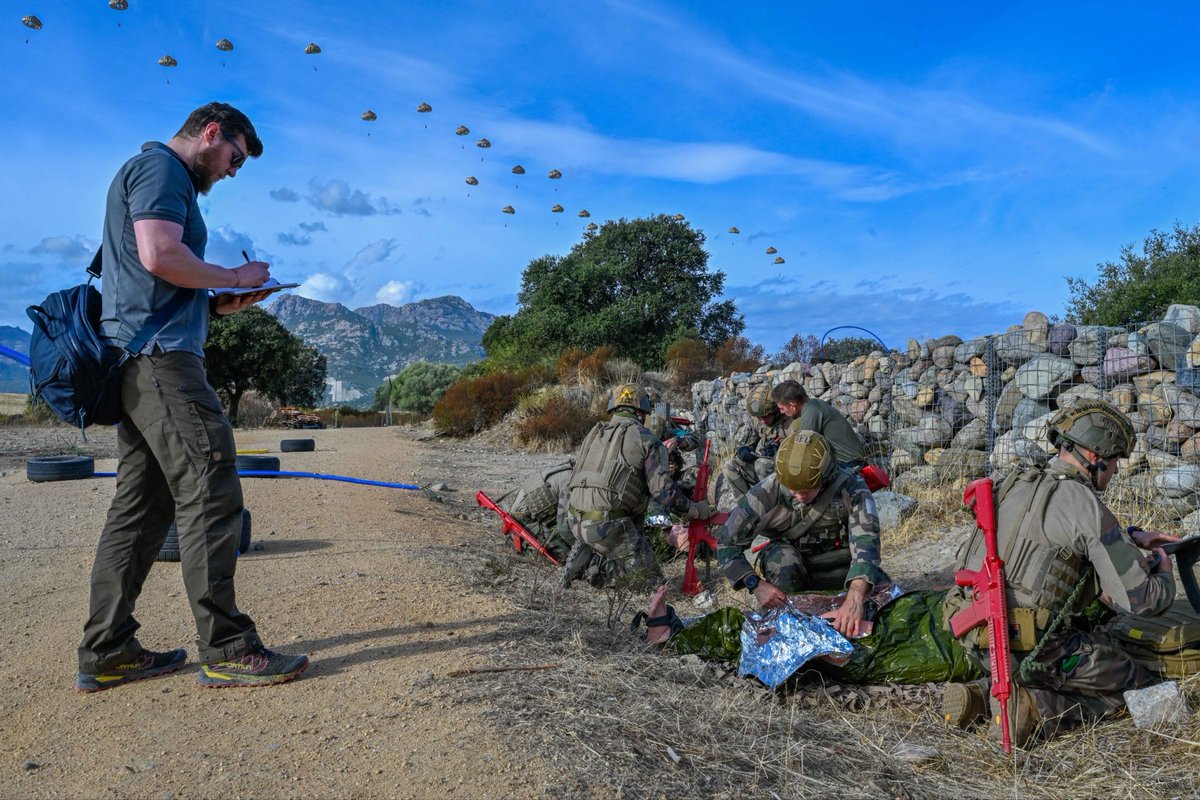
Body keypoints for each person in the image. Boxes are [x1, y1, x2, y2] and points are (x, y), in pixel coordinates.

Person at [76, 103, 309, 692]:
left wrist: (214, 303)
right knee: (210, 485)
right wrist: (237, 277)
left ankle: (107, 650)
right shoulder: (162, 170)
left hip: (137, 359)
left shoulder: (151, 172)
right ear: (212, 133)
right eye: (233, 158)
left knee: (143, 507)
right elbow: (159, 255)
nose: (232, 172)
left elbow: (149, 276)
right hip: (162, 367)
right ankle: (228, 647)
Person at [941, 400, 1176, 748]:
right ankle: (1031, 707)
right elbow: (1141, 600)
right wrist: (1165, 572)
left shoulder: (1017, 483)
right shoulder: (1083, 503)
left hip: (975, 635)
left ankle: (982, 694)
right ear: (1096, 456)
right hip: (1025, 646)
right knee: (1136, 680)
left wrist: (1130, 538)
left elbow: (1049, 546)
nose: (1113, 473)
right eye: (1114, 462)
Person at [715, 430, 886, 637]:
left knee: (886, 610)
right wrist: (756, 584)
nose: (797, 495)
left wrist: (856, 598)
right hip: (793, 573)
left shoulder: (851, 486)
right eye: (792, 489)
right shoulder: (768, 491)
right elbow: (726, 543)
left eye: (806, 489)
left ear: (823, 478)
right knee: (781, 559)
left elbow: (867, 544)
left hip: (843, 571)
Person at [560, 384, 711, 588]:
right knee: (651, 583)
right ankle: (596, 567)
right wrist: (693, 510)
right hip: (607, 524)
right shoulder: (647, 439)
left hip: (573, 518)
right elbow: (663, 493)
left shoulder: (595, 432)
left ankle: (592, 549)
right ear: (642, 412)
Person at [717, 384, 791, 508]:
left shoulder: (789, 423)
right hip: (762, 470)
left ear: (775, 410)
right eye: (759, 417)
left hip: (784, 476)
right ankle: (747, 508)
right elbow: (745, 442)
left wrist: (778, 452)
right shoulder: (758, 422)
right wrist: (743, 450)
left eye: (766, 416)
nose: (762, 421)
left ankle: (772, 508)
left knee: (762, 464)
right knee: (730, 466)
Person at [770, 379, 866, 469]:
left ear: (792, 405)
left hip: (848, 464)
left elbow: (802, 450)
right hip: (851, 460)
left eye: (782, 408)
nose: (781, 412)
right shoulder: (814, 404)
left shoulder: (810, 412)